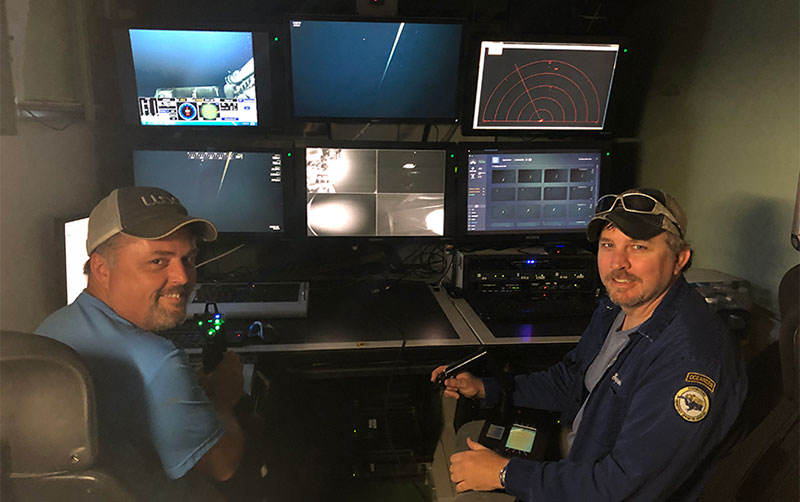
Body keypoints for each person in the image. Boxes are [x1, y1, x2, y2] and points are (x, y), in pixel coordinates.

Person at [431, 188, 748, 501]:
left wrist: (504, 474)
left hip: (596, 486)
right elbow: (570, 381)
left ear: (679, 259)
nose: (617, 263)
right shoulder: (618, 308)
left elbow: (621, 487)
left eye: (638, 247)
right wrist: (486, 387)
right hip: (579, 458)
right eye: (608, 245)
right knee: (466, 439)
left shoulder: (691, 360)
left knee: (467, 488)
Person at [36, 187, 245, 500]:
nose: (183, 277)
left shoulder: (50, 329)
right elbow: (221, 466)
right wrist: (223, 399)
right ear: (101, 269)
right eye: (158, 261)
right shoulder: (157, 360)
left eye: (188, 259)